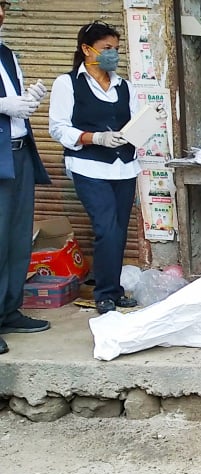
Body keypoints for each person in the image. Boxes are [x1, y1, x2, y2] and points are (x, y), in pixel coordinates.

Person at [49, 21, 141, 314]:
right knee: (105, 229)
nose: (113, 54)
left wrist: (141, 130)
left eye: (116, 49)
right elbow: (58, 128)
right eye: (106, 49)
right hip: (89, 167)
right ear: (86, 49)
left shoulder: (124, 86)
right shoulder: (67, 83)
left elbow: (136, 123)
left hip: (124, 168)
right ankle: (103, 292)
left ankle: (113, 290)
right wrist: (94, 138)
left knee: (119, 229)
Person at [0, 1, 52, 354]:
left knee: (17, 238)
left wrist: (27, 100)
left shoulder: (6, 53)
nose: (0, 14)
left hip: (18, 152)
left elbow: (16, 101)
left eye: (1, 6)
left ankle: (7, 310)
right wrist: (2, 105)